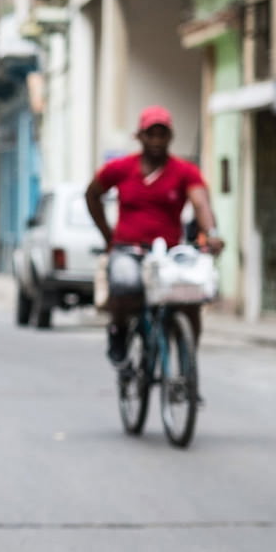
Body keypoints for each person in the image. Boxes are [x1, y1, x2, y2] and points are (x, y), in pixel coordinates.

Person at [85, 105, 225, 366]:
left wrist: (212, 233)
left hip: (169, 252)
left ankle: (187, 368)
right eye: (151, 134)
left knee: (189, 298)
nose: (157, 141)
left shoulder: (185, 171)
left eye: (163, 134)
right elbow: (92, 194)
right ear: (141, 137)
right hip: (129, 248)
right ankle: (118, 332)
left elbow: (201, 204)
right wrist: (108, 235)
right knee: (126, 285)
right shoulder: (120, 168)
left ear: (170, 137)